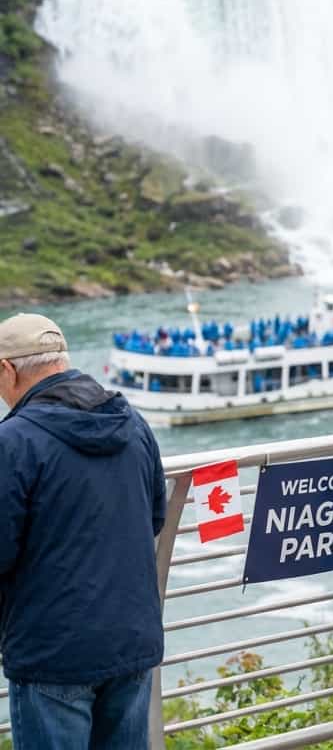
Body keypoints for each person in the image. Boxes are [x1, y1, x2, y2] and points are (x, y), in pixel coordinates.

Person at [0, 313, 167, 748]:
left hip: (52, 652)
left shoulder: (14, 441)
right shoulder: (131, 421)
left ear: (7, 369)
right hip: (131, 640)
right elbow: (154, 517)